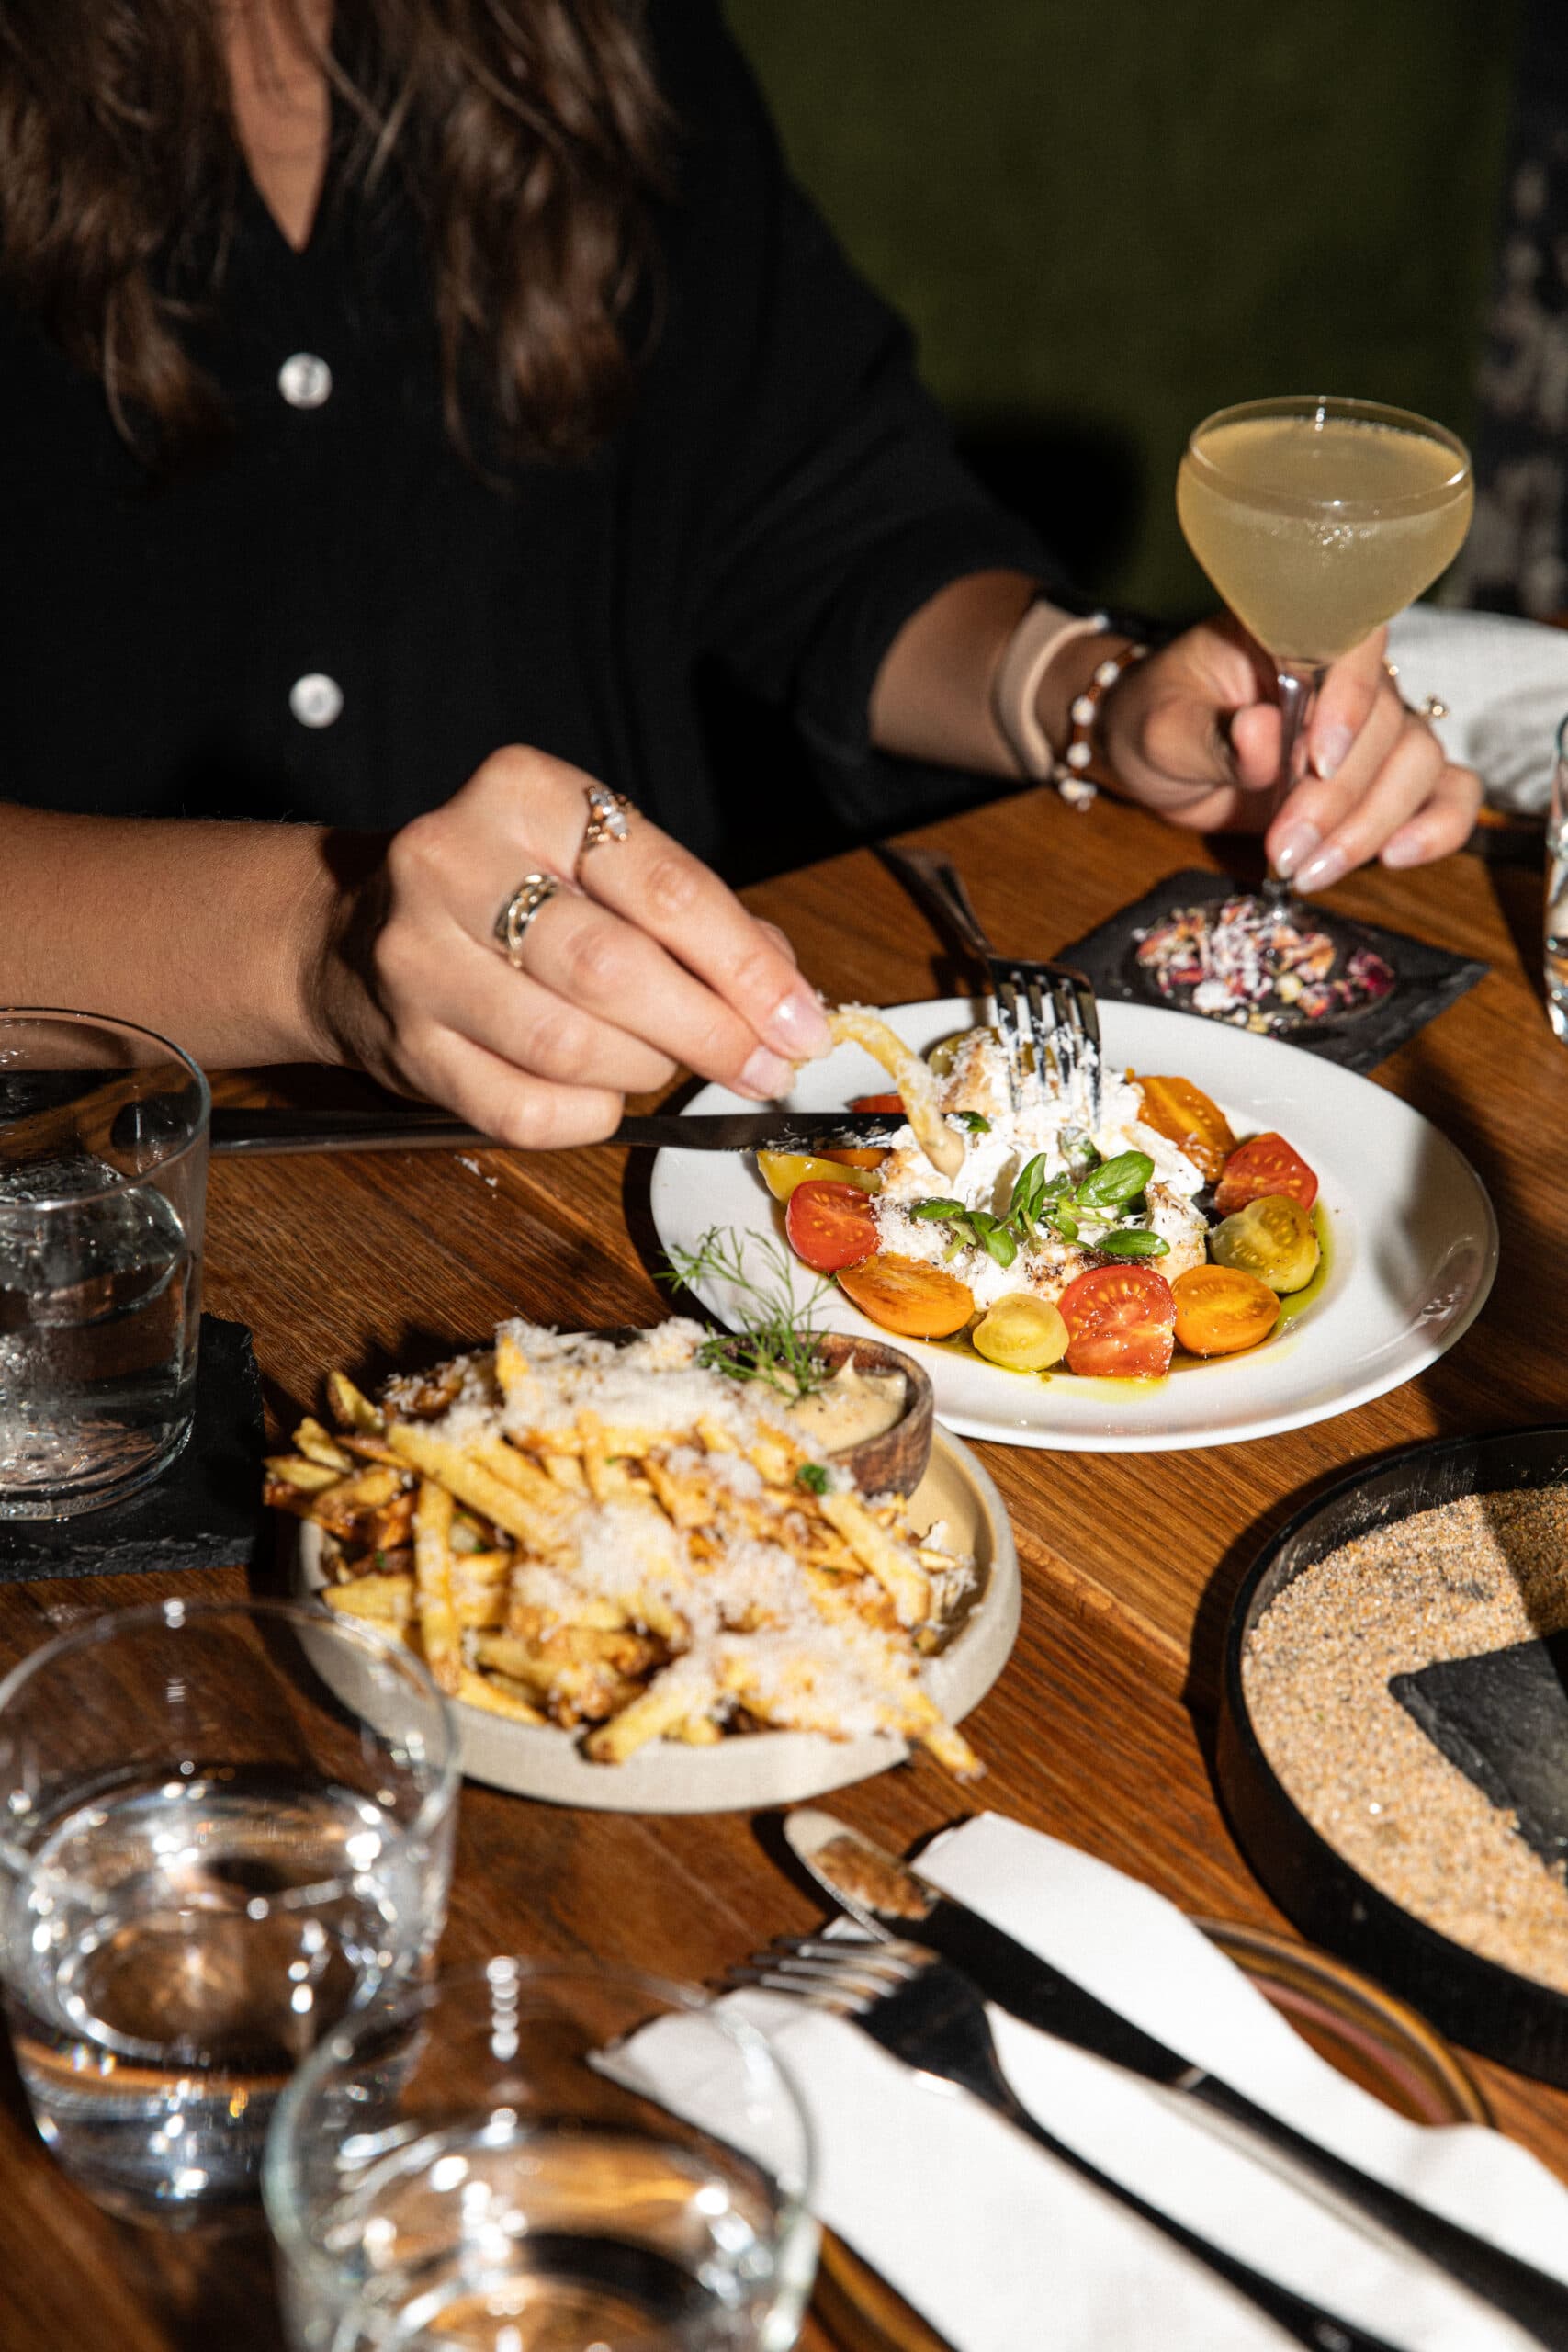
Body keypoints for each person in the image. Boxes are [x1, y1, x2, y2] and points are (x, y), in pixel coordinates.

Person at [0, 0, 1479, 1146]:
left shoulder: (596, 30)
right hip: (88, 1229)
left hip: (648, 1161)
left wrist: (1089, 698)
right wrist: (315, 943)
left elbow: (810, 514)